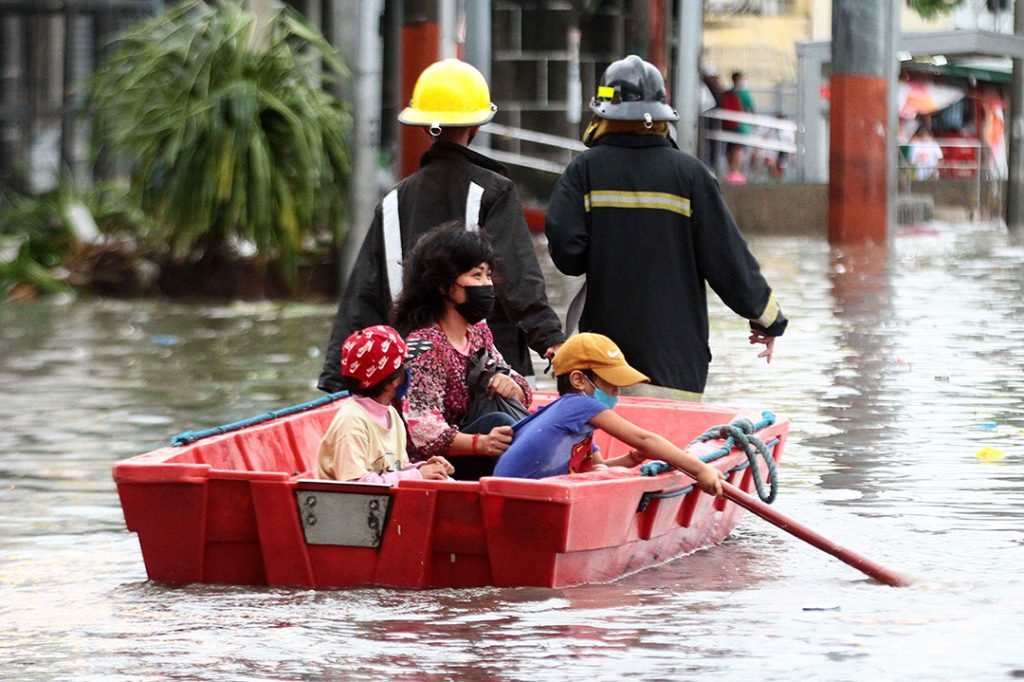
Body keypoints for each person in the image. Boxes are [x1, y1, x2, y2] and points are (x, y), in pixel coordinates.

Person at [545, 54, 788, 401]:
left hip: (601, 369)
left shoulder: (583, 171)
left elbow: (568, 256)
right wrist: (769, 320)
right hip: (676, 369)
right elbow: (728, 261)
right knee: (672, 452)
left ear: (602, 113)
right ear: (661, 116)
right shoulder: (691, 175)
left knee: (602, 452)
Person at [318, 58, 564, 394]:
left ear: (422, 127)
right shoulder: (495, 192)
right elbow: (519, 280)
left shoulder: (393, 201)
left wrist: (336, 380)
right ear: (477, 125)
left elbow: (362, 299)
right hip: (491, 378)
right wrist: (551, 340)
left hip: (410, 376)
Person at [493, 333, 724, 496]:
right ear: (578, 380)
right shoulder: (579, 407)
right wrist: (700, 469)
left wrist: (631, 459)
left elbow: (596, 466)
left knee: (613, 470)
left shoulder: (568, 416)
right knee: (615, 474)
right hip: (515, 499)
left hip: (519, 495)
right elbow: (645, 439)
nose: (617, 391)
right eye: (611, 383)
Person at [392, 222, 532, 481]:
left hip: (477, 441)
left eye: (488, 275)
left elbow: (517, 384)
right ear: (444, 286)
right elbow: (423, 431)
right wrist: (480, 443)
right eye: (476, 275)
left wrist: (511, 384)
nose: (487, 284)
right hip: (434, 465)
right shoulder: (425, 347)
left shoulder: (478, 330)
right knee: (498, 423)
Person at [317, 325, 455, 483]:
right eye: (405, 367)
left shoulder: (391, 414)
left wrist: (424, 469)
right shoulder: (352, 422)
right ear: (391, 382)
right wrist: (416, 476)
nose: (409, 373)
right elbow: (355, 485)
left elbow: (396, 469)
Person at [721, 71, 756, 184]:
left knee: (730, 148)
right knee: (738, 148)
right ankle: (734, 172)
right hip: (741, 125)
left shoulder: (727, 93)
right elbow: (752, 108)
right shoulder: (744, 93)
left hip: (727, 124)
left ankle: (730, 171)